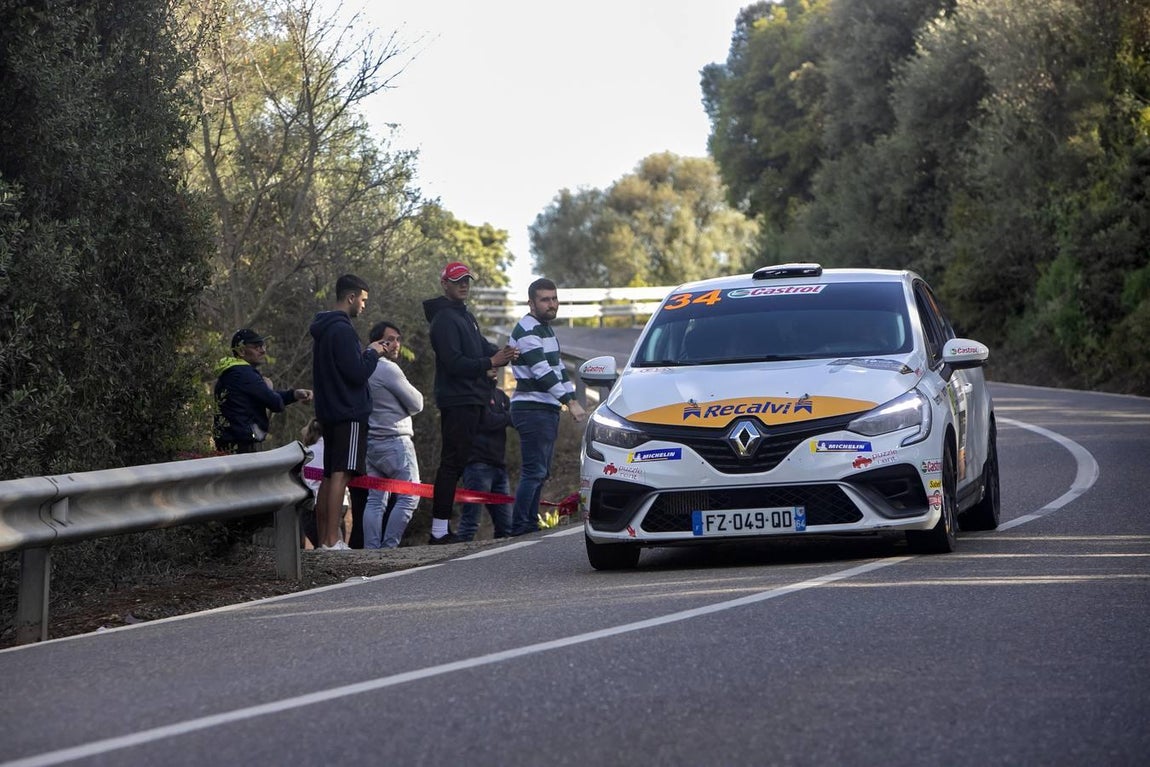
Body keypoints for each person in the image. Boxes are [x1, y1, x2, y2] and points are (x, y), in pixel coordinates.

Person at [422, 261, 516, 544]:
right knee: (451, 463)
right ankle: (439, 531)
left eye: (467, 280)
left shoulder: (465, 316)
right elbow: (454, 362)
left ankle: (442, 529)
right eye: (457, 280)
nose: (464, 285)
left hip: (470, 398)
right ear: (445, 284)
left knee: (458, 463)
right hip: (457, 400)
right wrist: (490, 362)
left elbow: (481, 347)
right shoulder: (444, 320)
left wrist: (503, 353)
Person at [309, 274, 388, 551]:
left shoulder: (324, 329)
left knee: (329, 475)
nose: (364, 306)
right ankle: (332, 541)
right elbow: (356, 373)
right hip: (348, 412)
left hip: (329, 412)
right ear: (351, 297)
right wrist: (372, 353)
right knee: (341, 475)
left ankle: (324, 540)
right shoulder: (342, 330)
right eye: (363, 300)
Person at [508, 278, 586, 536]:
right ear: (531, 303)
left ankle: (528, 525)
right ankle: (521, 527)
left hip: (544, 408)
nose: (551, 304)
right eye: (545, 300)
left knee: (540, 472)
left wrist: (571, 396)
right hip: (531, 408)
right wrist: (569, 402)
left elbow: (558, 368)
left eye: (554, 299)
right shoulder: (527, 329)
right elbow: (541, 371)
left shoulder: (544, 329)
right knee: (534, 471)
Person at [363, 321, 424, 549]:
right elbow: (417, 403)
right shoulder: (387, 368)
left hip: (371, 443)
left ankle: (371, 551)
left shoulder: (362, 366)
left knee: (375, 500)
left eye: (398, 339)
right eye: (390, 340)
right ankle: (389, 549)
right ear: (377, 342)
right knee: (410, 495)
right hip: (395, 441)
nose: (396, 344)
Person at [213, 328, 312, 454]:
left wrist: (294, 394)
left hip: (231, 443)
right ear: (242, 351)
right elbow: (276, 404)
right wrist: (269, 388)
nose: (263, 350)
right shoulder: (245, 374)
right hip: (243, 446)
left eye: (263, 345)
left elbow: (262, 396)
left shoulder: (232, 372)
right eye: (257, 347)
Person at [456, 374, 513, 542]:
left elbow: (514, 418)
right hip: (477, 465)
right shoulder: (472, 394)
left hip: (499, 466)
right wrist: (507, 417)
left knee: (506, 526)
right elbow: (487, 421)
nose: (495, 367)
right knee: (471, 522)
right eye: (491, 364)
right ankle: (456, 556)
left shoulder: (501, 395)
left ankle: (500, 557)